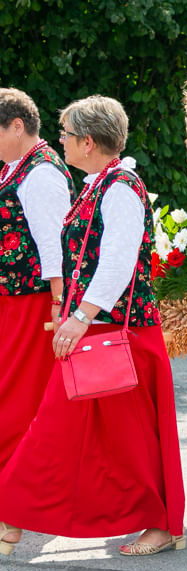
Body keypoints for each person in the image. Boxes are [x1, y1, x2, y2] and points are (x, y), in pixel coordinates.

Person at [0, 96, 185, 556]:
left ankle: (162, 525)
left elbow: (118, 262)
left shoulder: (121, 186)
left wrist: (80, 316)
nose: (59, 140)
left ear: (88, 141)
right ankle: (13, 517)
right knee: (69, 429)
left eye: (65, 134)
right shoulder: (97, 183)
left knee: (130, 436)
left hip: (122, 329)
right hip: (100, 327)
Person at [0, 88, 73, 471]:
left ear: (17, 126)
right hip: (12, 296)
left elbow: (54, 246)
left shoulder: (42, 171)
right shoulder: (16, 165)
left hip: (32, 299)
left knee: (16, 392)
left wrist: (59, 304)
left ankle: (14, 478)